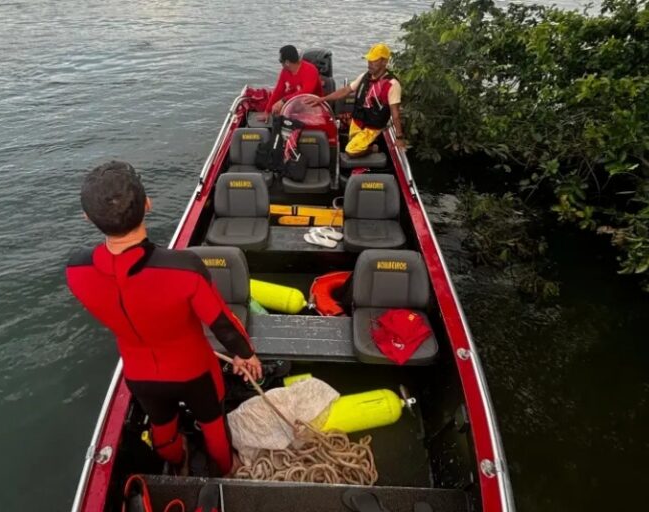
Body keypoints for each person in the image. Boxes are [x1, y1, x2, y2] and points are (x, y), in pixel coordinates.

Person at [66, 160, 262, 476]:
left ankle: (177, 461)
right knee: (213, 425)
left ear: (88, 217)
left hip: (140, 373)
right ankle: (226, 469)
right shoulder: (183, 268)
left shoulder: (76, 270)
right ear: (147, 204)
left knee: (162, 425)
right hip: (196, 370)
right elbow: (222, 324)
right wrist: (246, 355)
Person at [307, 43, 406, 155]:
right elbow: (345, 91)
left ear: (384, 62)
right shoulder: (364, 76)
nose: (369, 64)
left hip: (373, 127)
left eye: (374, 61)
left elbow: (395, 113)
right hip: (358, 121)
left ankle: (374, 148)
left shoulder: (392, 84)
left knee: (351, 151)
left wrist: (399, 137)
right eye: (369, 60)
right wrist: (322, 99)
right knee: (348, 142)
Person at [260, 45, 323, 120]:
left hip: (311, 106)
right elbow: (278, 90)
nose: (281, 64)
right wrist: (267, 111)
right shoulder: (285, 71)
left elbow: (306, 92)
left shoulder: (310, 70)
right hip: (293, 105)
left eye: (281, 61)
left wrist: (283, 101)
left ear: (287, 62)